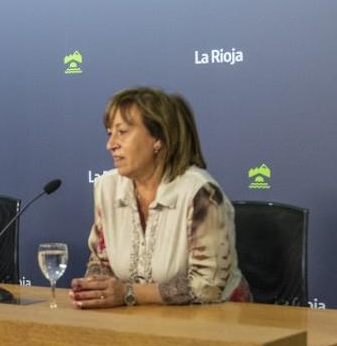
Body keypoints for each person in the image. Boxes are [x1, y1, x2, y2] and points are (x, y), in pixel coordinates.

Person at [70, 87, 250, 308]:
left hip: (217, 322)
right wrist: (96, 287)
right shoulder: (107, 188)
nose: (111, 144)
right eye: (110, 133)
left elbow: (208, 286)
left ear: (158, 139)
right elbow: (101, 259)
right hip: (140, 321)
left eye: (122, 132)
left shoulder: (200, 192)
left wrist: (127, 293)